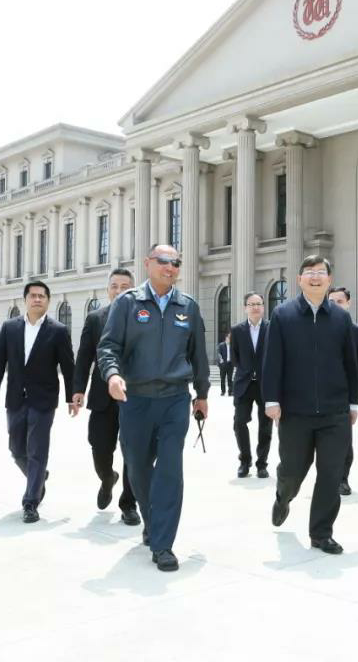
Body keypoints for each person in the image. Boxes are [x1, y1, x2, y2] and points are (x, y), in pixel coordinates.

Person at [96, 244, 210, 571]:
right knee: (138, 469)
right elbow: (108, 346)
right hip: (136, 400)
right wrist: (113, 375)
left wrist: (202, 394)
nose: (170, 267)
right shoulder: (128, 303)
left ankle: (163, 545)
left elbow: (198, 354)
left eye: (176, 262)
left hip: (174, 399)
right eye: (163, 261)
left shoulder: (188, 306)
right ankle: (153, 521)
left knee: (170, 470)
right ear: (148, 263)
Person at [263, 255, 358, 555]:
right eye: (309, 272)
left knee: (331, 473)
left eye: (320, 272)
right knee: (293, 469)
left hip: (335, 411)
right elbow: (272, 360)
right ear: (299, 280)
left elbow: (351, 362)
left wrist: (353, 402)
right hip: (295, 411)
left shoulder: (341, 318)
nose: (315, 277)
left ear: (329, 280)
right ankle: (283, 496)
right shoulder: (283, 315)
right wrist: (271, 400)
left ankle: (321, 533)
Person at [0, 281, 76, 523]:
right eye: (33, 296)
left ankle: (31, 502)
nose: (37, 299)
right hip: (15, 399)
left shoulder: (58, 330)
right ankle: (39, 476)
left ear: (48, 301)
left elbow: (68, 367)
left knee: (37, 451)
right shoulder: (9, 328)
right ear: (25, 300)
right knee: (16, 450)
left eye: (42, 296)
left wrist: (72, 397)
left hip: (44, 400)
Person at [72, 268, 140, 525]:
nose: (119, 291)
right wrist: (78, 389)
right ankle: (107, 478)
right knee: (99, 448)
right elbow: (84, 357)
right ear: (108, 289)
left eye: (125, 287)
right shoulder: (95, 319)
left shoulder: (144, 318)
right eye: (114, 286)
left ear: (133, 291)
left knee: (134, 452)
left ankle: (129, 504)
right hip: (102, 397)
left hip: (136, 398)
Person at [327, 286, 358, 496]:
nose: (335, 305)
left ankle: (342, 479)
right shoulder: (315, 326)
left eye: (340, 301)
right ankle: (327, 477)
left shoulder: (355, 330)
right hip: (318, 391)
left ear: (348, 304)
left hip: (344, 392)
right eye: (331, 301)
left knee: (344, 437)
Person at [230, 291, 272, 479]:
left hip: (266, 385)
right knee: (239, 423)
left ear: (263, 306)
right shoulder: (237, 330)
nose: (255, 307)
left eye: (258, 304)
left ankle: (262, 464)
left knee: (265, 426)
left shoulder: (272, 328)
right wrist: (248, 370)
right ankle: (244, 461)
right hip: (244, 384)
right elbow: (235, 358)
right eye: (251, 304)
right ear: (245, 307)